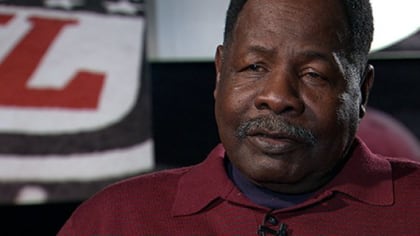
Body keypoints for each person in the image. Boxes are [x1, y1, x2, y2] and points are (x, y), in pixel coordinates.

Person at [58, 0, 420, 235]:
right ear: (220, 73)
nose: (277, 97)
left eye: (313, 74)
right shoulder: (114, 221)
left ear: (363, 91)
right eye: (254, 66)